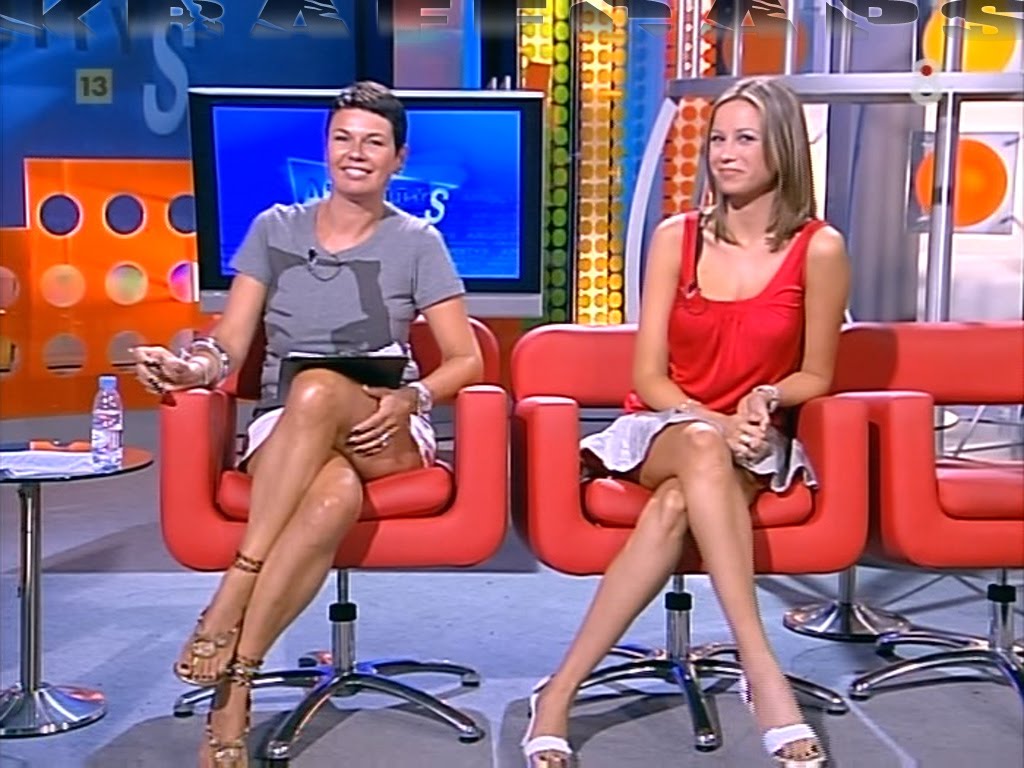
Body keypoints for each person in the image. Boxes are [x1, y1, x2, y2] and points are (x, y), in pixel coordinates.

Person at [132, 81, 483, 768]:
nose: (357, 152)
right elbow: (229, 344)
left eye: (374, 142)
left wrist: (413, 399)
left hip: (383, 423)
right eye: (343, 138)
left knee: (319, 387)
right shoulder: (275, 229)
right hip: (287, 427)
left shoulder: (418, 242)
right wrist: (188, 368)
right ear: (326, 149)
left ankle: (236, 586)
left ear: (398, 159)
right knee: (330, 495)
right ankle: (238, 684)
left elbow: (466, 358)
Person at [521, 77, 850, 768]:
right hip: (663, 428)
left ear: (784, 148)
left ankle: (557, 693)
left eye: (745, 139)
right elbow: (649, 378)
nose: (724, 153)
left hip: (753, 441)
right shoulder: (677, 237)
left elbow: (817, 374)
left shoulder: (820, 249)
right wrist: (714, 422)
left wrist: (766, 396)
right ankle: (763, 671)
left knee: (675, 507)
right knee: (698, 447)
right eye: (718, 139)